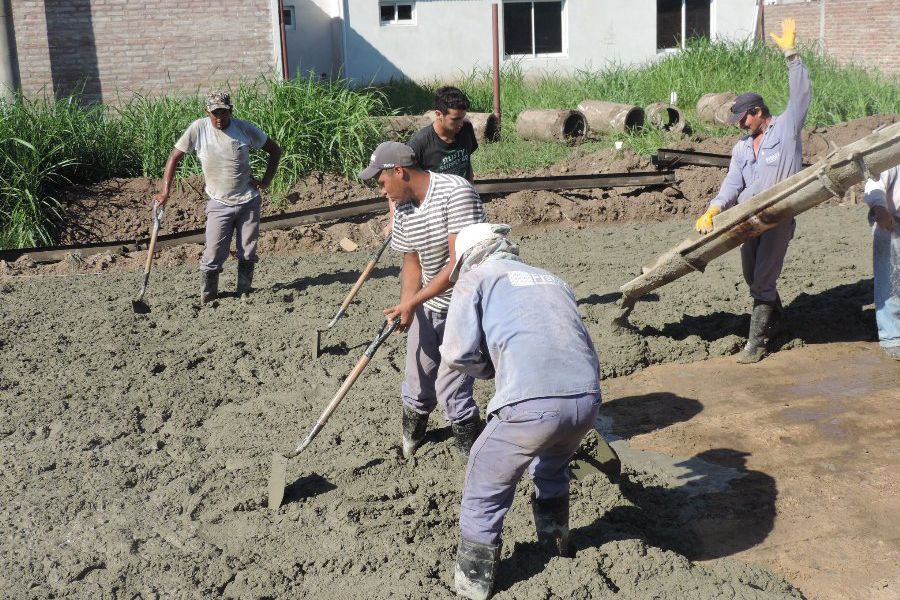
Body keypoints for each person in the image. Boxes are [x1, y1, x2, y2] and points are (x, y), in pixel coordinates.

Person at [440, 223, 602, 600]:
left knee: (485, 472)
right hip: (586, 399)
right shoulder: (552, 279)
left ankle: (472, 584)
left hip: (533, 403)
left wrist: (491, 369)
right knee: (551, 468)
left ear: (468, 258)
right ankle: (554, 542)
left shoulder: (476, 279)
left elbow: (456, 352)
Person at [357, 141, 486, 459]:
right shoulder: (402, 209)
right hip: (430, 304)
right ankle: (410, 444)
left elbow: (457, 264)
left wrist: (412, 302)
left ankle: (473, 455)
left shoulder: (456, 192)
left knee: (451, 389)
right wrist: (407, 307)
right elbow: (411, 263)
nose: (382, 190)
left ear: (398, 171)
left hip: (469, 304)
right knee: (416, 384)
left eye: (381, 181)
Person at [694, 18, 811, 363]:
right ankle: (778, 319)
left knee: (762, 279)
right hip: (748, 220)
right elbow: (733, 183)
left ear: (758, 112)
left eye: (745, 119)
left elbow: (801, 95)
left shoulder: (786, 130)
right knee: (751, 276)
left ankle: (757, 343)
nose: (742, 126)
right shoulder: (743, 148)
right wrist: (714, 208)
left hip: (777, 216)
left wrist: (792, 56)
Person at [153, 91, 282, 303]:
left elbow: (275, 150)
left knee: (248, 251)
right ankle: (208, 296)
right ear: (207, 112)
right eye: (215, 113)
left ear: (231, 111)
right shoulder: (198, 128)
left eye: (223, 113)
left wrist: (266, 181)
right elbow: (174, 157)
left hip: (248, 201)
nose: (219, 118)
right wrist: (165, 191)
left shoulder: (244, 128)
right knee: (213, 252)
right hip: (219, 203)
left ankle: (244, 292)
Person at [384, 87, 479, 235]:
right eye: (455, 119)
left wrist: (473, 194)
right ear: (438, 114)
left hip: (464, 204)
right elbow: (398, 181)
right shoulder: (419, 144)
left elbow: (467, 164)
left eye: (462, 117)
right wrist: (393, 220)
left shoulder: (466, 129)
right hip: (437, 214)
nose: (460, 123)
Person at [863, 166, 900, 360]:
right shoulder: (894, 147)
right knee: (890, 281)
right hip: (892, 222)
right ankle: (892, 337)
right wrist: (879, 207)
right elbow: (875, 180)